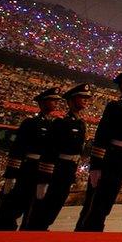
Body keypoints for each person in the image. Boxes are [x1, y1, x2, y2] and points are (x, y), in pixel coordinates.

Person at [75, 67, 122, 232]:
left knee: (107, 201)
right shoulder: (115, 106)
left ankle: (96, 230)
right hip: (110, 158)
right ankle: (85, 232)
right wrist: (97, 166)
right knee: (97, 201)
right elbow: (102, 136)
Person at [22, 83, 93, 231]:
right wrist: (44, 179)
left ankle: (42, 227)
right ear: (71, 101)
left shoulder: (80, 123)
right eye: (82, 98)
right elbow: (50, 151)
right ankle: (34, 230)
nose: (86, 100)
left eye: (87, 98)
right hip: (58, 169)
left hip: (69, 169)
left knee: (57, 202)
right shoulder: (61, 123)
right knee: (45, 204)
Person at [0, 87, 61, 230]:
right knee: (15, 202)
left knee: (34, 205)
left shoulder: (52, 124)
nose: (56, 103)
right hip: (27, 168)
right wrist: (11, 174)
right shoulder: (30, 123)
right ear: (42, 103)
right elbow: (18, 149)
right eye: (52, 100)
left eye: (57, 101)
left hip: (41, 169)